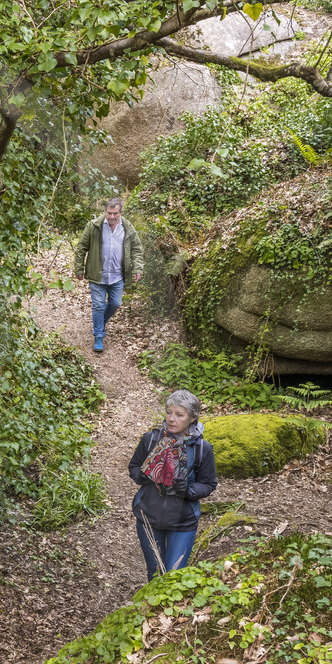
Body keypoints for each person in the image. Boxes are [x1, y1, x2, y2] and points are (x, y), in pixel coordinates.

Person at [128, 389, 217, 581]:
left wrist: (188, 490)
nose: (171, 419)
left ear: (193, 418)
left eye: (179, 414)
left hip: (183, 522)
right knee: (156, 574)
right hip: (149, 518)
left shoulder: (203, 448)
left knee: (173, 577)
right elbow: (134, 466)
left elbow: (209, 483)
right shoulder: (151, 439)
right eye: (169, 412)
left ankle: (170, 611)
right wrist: (143, 476)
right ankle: (151, 610)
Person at [74, 197, 143, 353]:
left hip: (118, 276)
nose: (112, 217)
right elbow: (81, 248)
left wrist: (138, 268)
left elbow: (137, 249)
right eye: (109, 213)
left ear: (121, 213)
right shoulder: (94, 226)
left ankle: (101, 322)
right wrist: (79, 269)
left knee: (116, 304)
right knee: (98, 305)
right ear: (105, 211)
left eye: (115, 214)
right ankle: (98, 334)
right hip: (97, 275)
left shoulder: (128, 228)